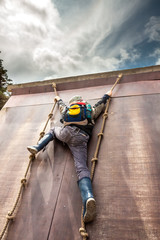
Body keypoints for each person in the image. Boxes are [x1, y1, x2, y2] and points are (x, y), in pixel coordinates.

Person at [27, 89, 112, 223]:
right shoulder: (89, 110)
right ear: (82, 101)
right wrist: (107, 95)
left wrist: (58, 99)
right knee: (82, 168)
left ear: (72, 103)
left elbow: (61, 107)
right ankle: (88, 197)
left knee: (54, 129)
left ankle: (37, 147)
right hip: (81, 138)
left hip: (66, 133)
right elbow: (101, 104)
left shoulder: (69, 109)